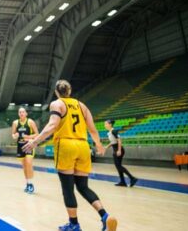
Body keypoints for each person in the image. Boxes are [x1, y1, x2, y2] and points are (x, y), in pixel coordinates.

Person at [23, 80, 117, 231]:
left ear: (56, 92)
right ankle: (105, 216)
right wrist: (98, 145)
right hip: (83, 146)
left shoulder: (57, 104)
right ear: (70, 90)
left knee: (68, 188)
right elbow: (92, 129)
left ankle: (74, 224)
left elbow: (52, 125)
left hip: (66, 145)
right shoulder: (82, 106)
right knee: (83, 187)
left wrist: (35, 141)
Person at [11, 107, 39, 194]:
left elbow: (37, 134)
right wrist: (15, 136)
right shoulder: (15, 123)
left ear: (26, 113)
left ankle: (31, 184)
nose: (21, 113)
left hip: (29, 145)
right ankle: (28, 183)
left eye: (23, 112)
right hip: (20, 146)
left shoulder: (30, 122)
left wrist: (28, 137)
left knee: (29, 163)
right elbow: (13, 134)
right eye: (20, 112)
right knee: (24, 166)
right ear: (18, 114)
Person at [104, 119, 137, 187]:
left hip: (118, 150)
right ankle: (123, 182)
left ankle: (132, 178)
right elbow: (113, 141)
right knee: (118, 166)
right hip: (115, 149)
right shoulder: (109, 132)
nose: (105, 125)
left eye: (106, 124)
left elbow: (119, 140)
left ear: (110, 124)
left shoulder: (114, 131)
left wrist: (119, 150)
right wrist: (106, 147)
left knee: (118, 166)